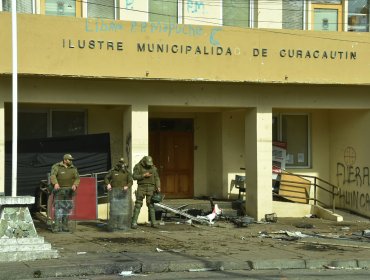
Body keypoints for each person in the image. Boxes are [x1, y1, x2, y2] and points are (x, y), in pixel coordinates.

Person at [50, 153, 80, 233]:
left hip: (69, 191)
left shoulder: (73, 168)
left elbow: (77, 178)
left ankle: (65, 226)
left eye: (71, 160)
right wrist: (55, 183)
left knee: (66, 209)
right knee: (58, 208)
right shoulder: (57, 167)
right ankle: (56, 226)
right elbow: (53, 175)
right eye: (69, 160)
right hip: (59, 190)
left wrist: (75, 185)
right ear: (65, 160)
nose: (71, 161)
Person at [131, 156, 161, 229]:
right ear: (144, 162)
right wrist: (144, 175)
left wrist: (158, 186)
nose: (149, 165)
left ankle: (153, 223)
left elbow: (156, 177)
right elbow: (134, 176)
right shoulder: (138, 166)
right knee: (138, 204)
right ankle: (134, 222)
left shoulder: (153, 168)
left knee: (151, 205)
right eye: (147, 164)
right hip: (141, 187)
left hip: (151, 187)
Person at [104, 157, 133, 231]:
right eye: (120, 163)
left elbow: (130, 181)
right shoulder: (113, 171)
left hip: (123, 193)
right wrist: (108, 184)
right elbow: (106, 178)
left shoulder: (127, 172)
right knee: (114, 209)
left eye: (123, 163)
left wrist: (127, 186)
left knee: (122, 210)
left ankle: (121, 225)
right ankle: (113, 225)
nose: (122, 165)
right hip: (114, 193)